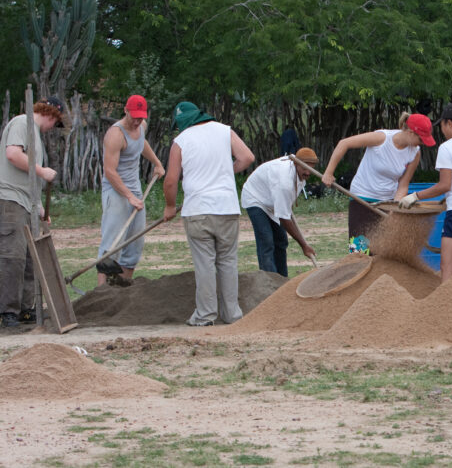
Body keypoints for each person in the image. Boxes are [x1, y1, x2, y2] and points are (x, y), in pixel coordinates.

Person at [163, 101, 255, 326]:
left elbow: (171, 180)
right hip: (227, 208)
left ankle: (205, 315)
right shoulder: (225, 131)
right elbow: (247, 158)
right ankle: (232, 314)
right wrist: (225, 171)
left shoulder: (181, 141)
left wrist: (170, 206)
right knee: (227, 261)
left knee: (205, 263)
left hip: (198, 211)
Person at [321, 113, 435, 252]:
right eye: (421, 139)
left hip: (387, 202)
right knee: (360, 249)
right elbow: (344, 143)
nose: (421, 144)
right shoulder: (382, 138)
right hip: (362, 198)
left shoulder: (415, 152)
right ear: (411, 132)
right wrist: (329, 172)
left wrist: (395, 208)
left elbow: (403, 184)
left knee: (381, 249)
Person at [399, 103, 452, 282]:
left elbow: (445, 185)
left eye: (443, 125)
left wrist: (415, 196)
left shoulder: (447, 147)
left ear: (450, 124)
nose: (442, 129)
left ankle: (445, 305)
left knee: (447, 266)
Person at [0, 97, 62, 327]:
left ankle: (25, 308)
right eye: (55, 123)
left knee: (29, 259)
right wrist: (42, 170)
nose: (53, 128)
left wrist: (39, 207)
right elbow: (13, 155)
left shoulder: (35, 135)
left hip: (26, 201)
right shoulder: (22, 123)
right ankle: (7, 311)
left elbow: (29, 178)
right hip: (9, 198)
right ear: (51, 115)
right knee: (11, 257)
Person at [97, 94, 165, 286]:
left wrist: (157, 163)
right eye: (134, 116)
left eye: (141, 117)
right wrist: (129, 197)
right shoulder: (115, 134)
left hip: (135, 190)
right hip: (116, 191)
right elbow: (109, 171)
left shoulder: (140, 126)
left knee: (135, 241)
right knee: (112, 244)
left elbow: (142, 143)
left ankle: (123, 289)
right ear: (125, 111)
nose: (137, 121)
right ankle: (101, 293)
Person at [241, 149, 319, 276]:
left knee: (281, 240)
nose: (307, 171)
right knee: (266, 241)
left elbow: (285, 208)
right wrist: (304, 245)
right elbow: (284, 218)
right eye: (304, 167)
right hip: (255, 198)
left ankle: (282, 280)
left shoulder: (297, 173)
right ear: (296, 164)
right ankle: (269, 282)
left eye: (311, 168)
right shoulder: (285, 182)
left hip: (272, 200)